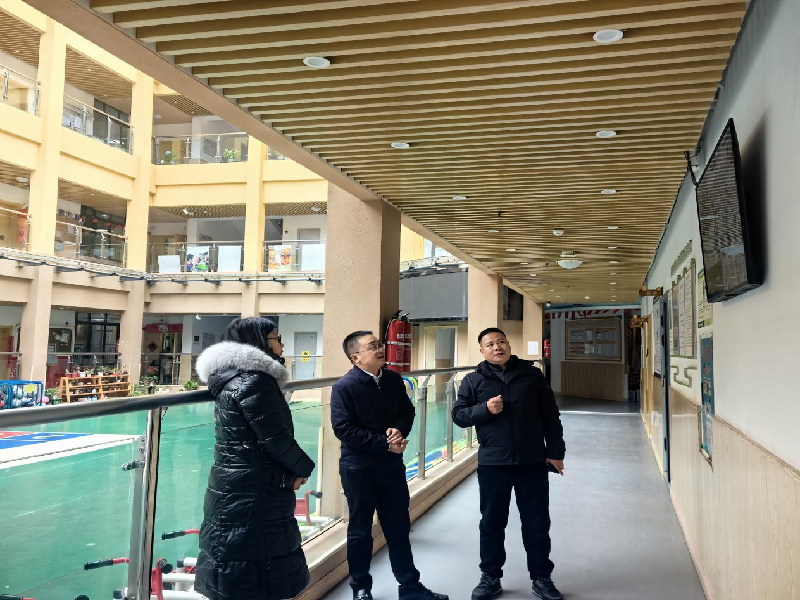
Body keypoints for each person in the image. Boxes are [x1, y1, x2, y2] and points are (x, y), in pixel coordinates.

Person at [194, 317, 315, 600]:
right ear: (259, 342)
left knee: (238, 562)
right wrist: (303, 469)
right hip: (254, 490)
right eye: (276, 338)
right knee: (257, 566)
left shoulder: (232, 378)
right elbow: (276, 439)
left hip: (237, 484)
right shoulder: (254, 382)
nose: (282, 344)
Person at [331, 330, 449, 600]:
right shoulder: (344, 387)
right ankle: (361, 587)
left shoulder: (394, 380)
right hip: (358, 469)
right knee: (360, 531)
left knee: (398, 527)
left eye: (379, 344)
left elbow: (408, 412)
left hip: (391, 467)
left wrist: (398, 430)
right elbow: (343, 429)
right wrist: (385, 444)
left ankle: (410, 586)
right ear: (355, 357)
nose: (380, 348)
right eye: (372, 346)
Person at [452, 328, 566, 600]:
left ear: (509, 344)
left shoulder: (532, 376)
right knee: (492, 523)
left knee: (537, 522)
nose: (497, 347)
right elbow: (458, 415)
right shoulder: (473, 380)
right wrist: (485, 409)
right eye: (490, 344)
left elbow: (550, 416)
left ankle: (541, 578)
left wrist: (556, 452)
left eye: (501, 341)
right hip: (494, 464)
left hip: (531, 461)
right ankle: (490, 577)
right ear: (482, 351)